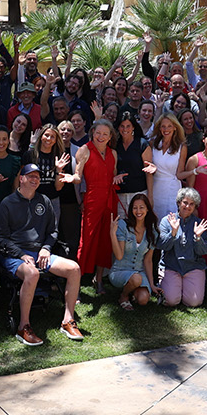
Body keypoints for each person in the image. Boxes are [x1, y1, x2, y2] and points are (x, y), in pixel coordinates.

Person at [0, 164, 85, 344]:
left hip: (40, 252)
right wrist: (20, 254)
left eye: (37, 176)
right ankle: (23, 327)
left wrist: (46, 248)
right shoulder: (8, 203)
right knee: (32, 273)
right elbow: (1, 238)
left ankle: (68, 320)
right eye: (30, 176)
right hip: (14, 255)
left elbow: (53, 231)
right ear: (21, 178)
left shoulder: (44, 200)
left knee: (74, 268)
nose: (35, 179)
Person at [74, 118, 119, 294]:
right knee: (86, 241)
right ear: (92, 132)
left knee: (106, 241)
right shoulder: (84, 150)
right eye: (98, 132)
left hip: (109, 200)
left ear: (110, 137)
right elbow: (78, 175)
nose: (101, 136)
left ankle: (98, 279)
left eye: (105, 134)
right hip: (92, 200)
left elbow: (112, 174)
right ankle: (76, 285)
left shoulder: (113, 153)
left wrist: (116, 179)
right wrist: (73, 179)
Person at [157, 188, 207, 307]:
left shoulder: (199, 223)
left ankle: (182, 289)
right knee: (171, 301)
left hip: (193, 267)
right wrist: (173, 232)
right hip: (171, 266)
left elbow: (204, 251)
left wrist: (198, 237)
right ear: (179, 202)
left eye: (192, 204)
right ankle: (170, 287)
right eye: (185, 203)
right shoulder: (166, 221)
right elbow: (161, 245)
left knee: (194, 302)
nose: (188, 206)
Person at [109, 193, 158, 310]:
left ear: (147, 209)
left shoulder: (153, 231)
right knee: (136, 279)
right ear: (131, 210)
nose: (138, 211)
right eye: (135, 208)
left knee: (143, 300)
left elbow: (148, 260)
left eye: (141, 207)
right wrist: (112, 234)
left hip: (139, 272)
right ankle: (124, 296)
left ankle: (132, 289)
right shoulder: (123, 225)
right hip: (119, 271)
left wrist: (151, 284)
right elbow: (119, 256)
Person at [147, 113, 186, 218]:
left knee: (171, 221)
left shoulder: (181, 147)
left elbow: (180, 173)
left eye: (169, 126)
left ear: (175, 127)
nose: (166, 129)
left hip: (172, 190)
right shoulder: (152, 143)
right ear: (159, 128)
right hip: (155, 188)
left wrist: (194, 171)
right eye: (163, 126)